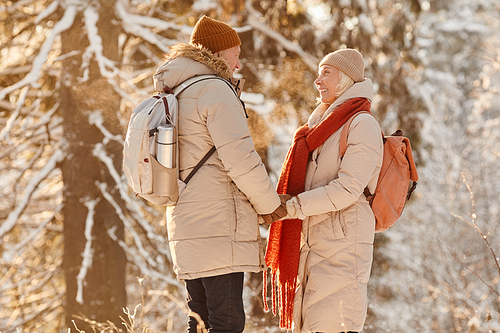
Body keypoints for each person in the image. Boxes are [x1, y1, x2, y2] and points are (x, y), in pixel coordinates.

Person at [153, 15, 286, 333]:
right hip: (217, 224)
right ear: (217, 53)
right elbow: (240, 159)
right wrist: (269, 205)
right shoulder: (215, 90)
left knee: (199, 319)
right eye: (235, 54)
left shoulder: (178, 92)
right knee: (226, 321)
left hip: (185, 221)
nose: (238, 64)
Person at [265, 49, 384, 332]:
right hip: (313, 242)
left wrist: (291, 207)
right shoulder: (319, 129)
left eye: (326, 73)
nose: (317, 81)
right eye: (319, 74)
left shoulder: (362, 124)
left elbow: (347, 189)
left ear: (347, 79)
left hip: (343, 246)